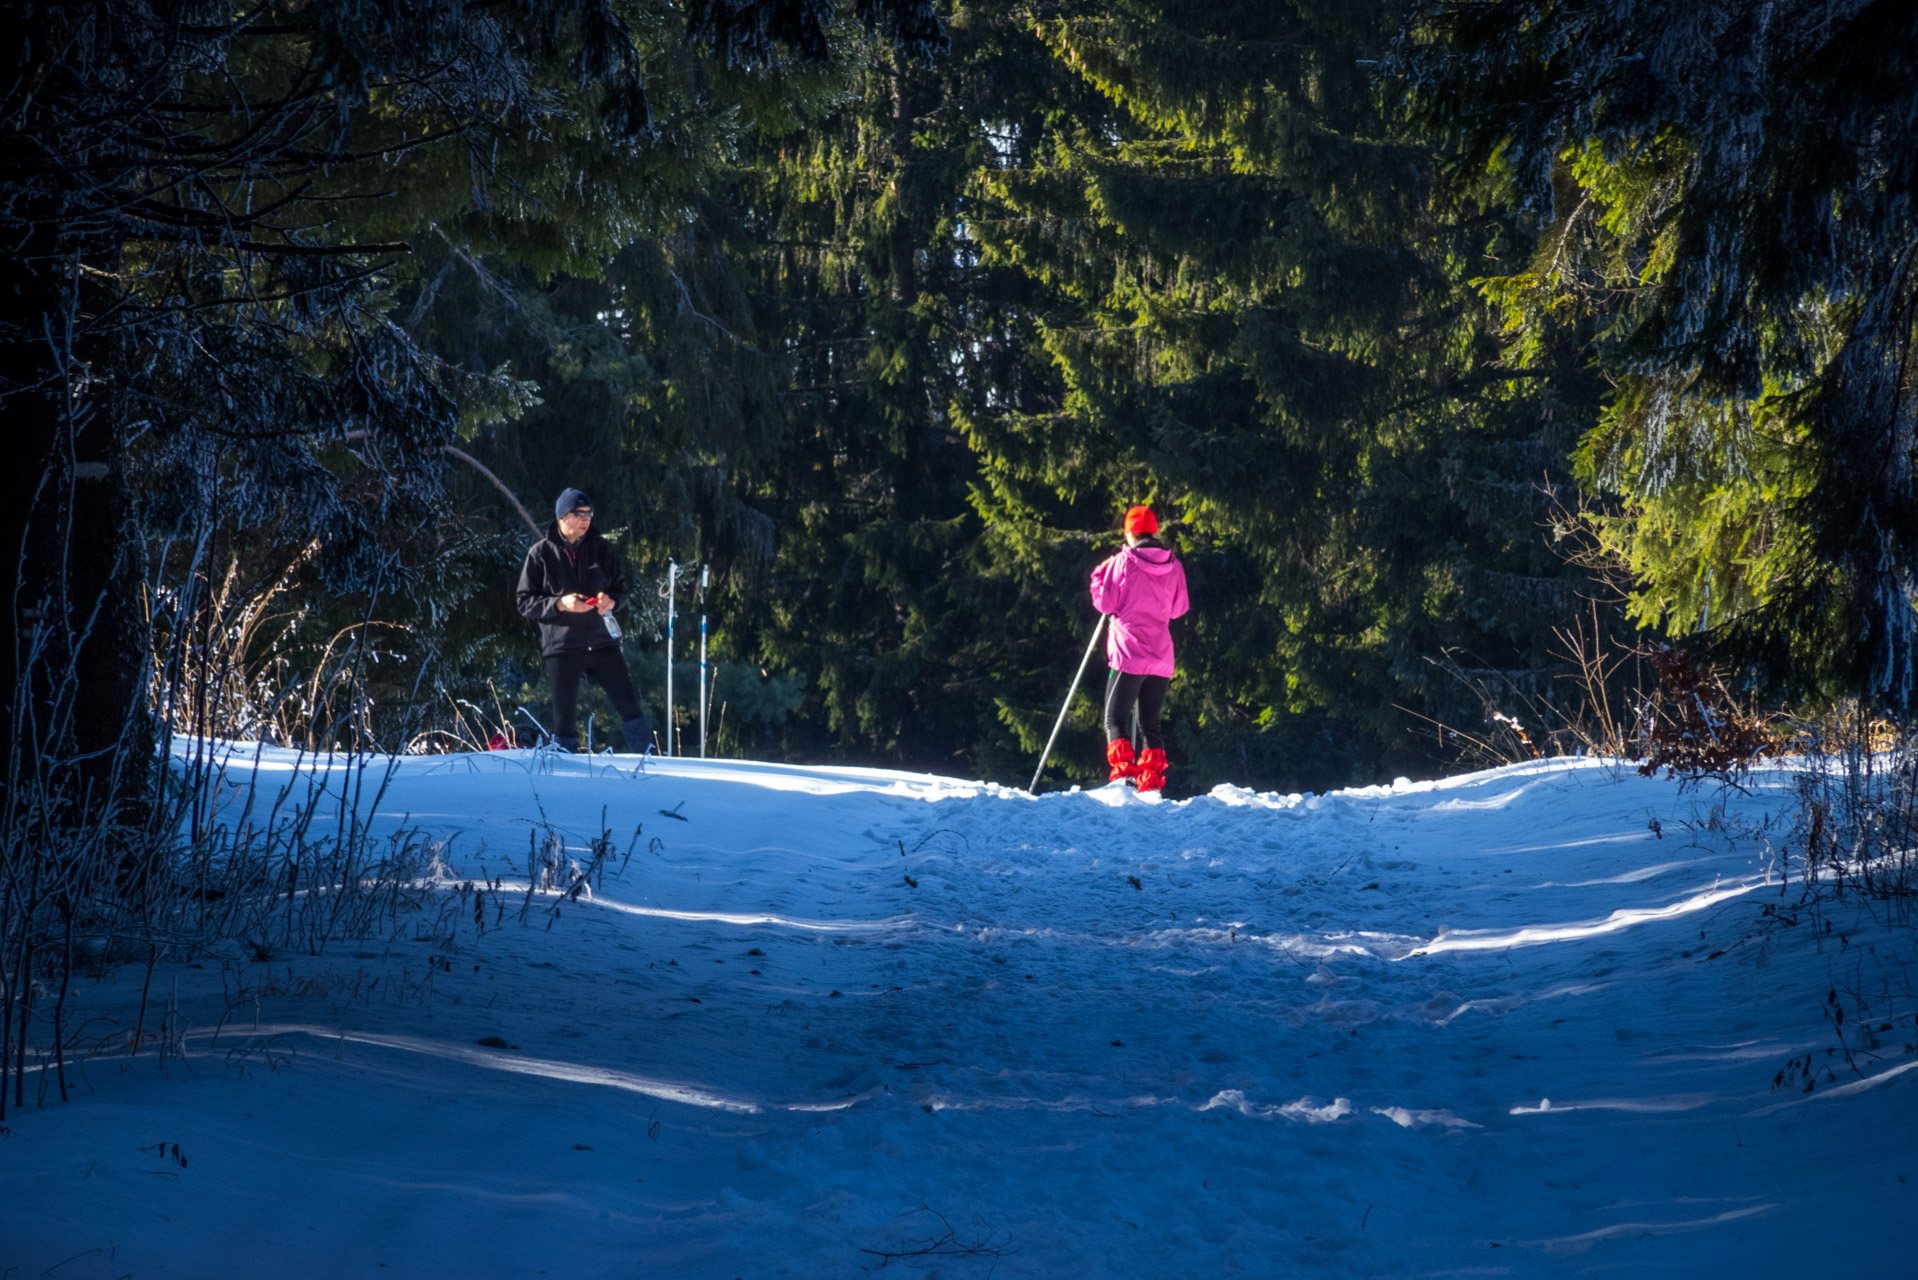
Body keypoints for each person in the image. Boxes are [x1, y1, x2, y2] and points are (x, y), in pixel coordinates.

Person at [516, 488, 654, 753]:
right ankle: (566, 777)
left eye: (589, 513)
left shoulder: (603, 550)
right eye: (579, 513)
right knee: (564, 723)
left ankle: (650, 761)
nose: (586, 518)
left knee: (631, 708)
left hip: (602, 643)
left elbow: (621, 590)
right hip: (563, 648)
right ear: (562, 517)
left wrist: (611, 601)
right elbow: (524, 602)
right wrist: (559, 603)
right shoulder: (540, 554)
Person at [1089, 504, 1189, 796]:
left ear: (1129, 533)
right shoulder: (1173, 564)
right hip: (1161, 657)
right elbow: (1178, 608)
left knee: (1114, 718)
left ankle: (1123, 777)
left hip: (1129, 654)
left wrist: (1098, 575)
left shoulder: (1123, 561)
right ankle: (1152, 783)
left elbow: (1106, 604)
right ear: (1153, 531)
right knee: (1151, 724)